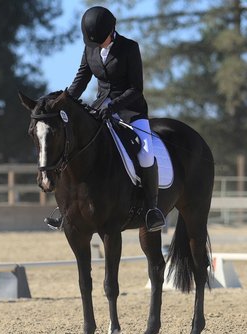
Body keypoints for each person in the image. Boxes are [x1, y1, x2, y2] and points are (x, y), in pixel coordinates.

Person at [50, 6, 165, 232]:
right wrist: (62, 101)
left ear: (112, 31)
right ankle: (66, 208)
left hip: (131, 111)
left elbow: (136, 88)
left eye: (101, 41)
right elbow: (81, 79)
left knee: (145, 152)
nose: (98, 46)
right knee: (73, 145)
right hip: (99, 109)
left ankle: (152, 209)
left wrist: (114, 106)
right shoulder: (90, 48)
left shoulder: (130, 48)